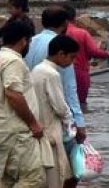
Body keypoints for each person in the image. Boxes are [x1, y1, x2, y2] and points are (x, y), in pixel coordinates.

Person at [0, 21, 45, 187]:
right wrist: (33, 123)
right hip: (15, 131)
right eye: (29, 41)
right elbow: (13, 94)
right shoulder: (13, 61)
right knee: (33, 179)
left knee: (8, 180)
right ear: (23, 41)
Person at [23, 6, 87, 146]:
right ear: (65, 23)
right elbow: (70, 90)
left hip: (29, 111)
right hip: (52, 113)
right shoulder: (62, 46)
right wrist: (79, 123)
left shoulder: (29, 42)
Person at [31, 34, 79, 188]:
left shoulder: (37, 69)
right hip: (50, 130)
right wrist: (73, 124)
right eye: (72, 57)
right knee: (55, 177)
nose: (72, 62)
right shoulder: (52, 74)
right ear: (61, 54)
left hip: (38, 128)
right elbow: (60, 107)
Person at [59, 3, 109, 106]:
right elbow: (94, 51)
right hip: (79, 73)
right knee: (80, 105)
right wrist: (108, 53)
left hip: (58, 73)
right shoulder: (82, 33)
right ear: (74, 18)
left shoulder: (53, 34)